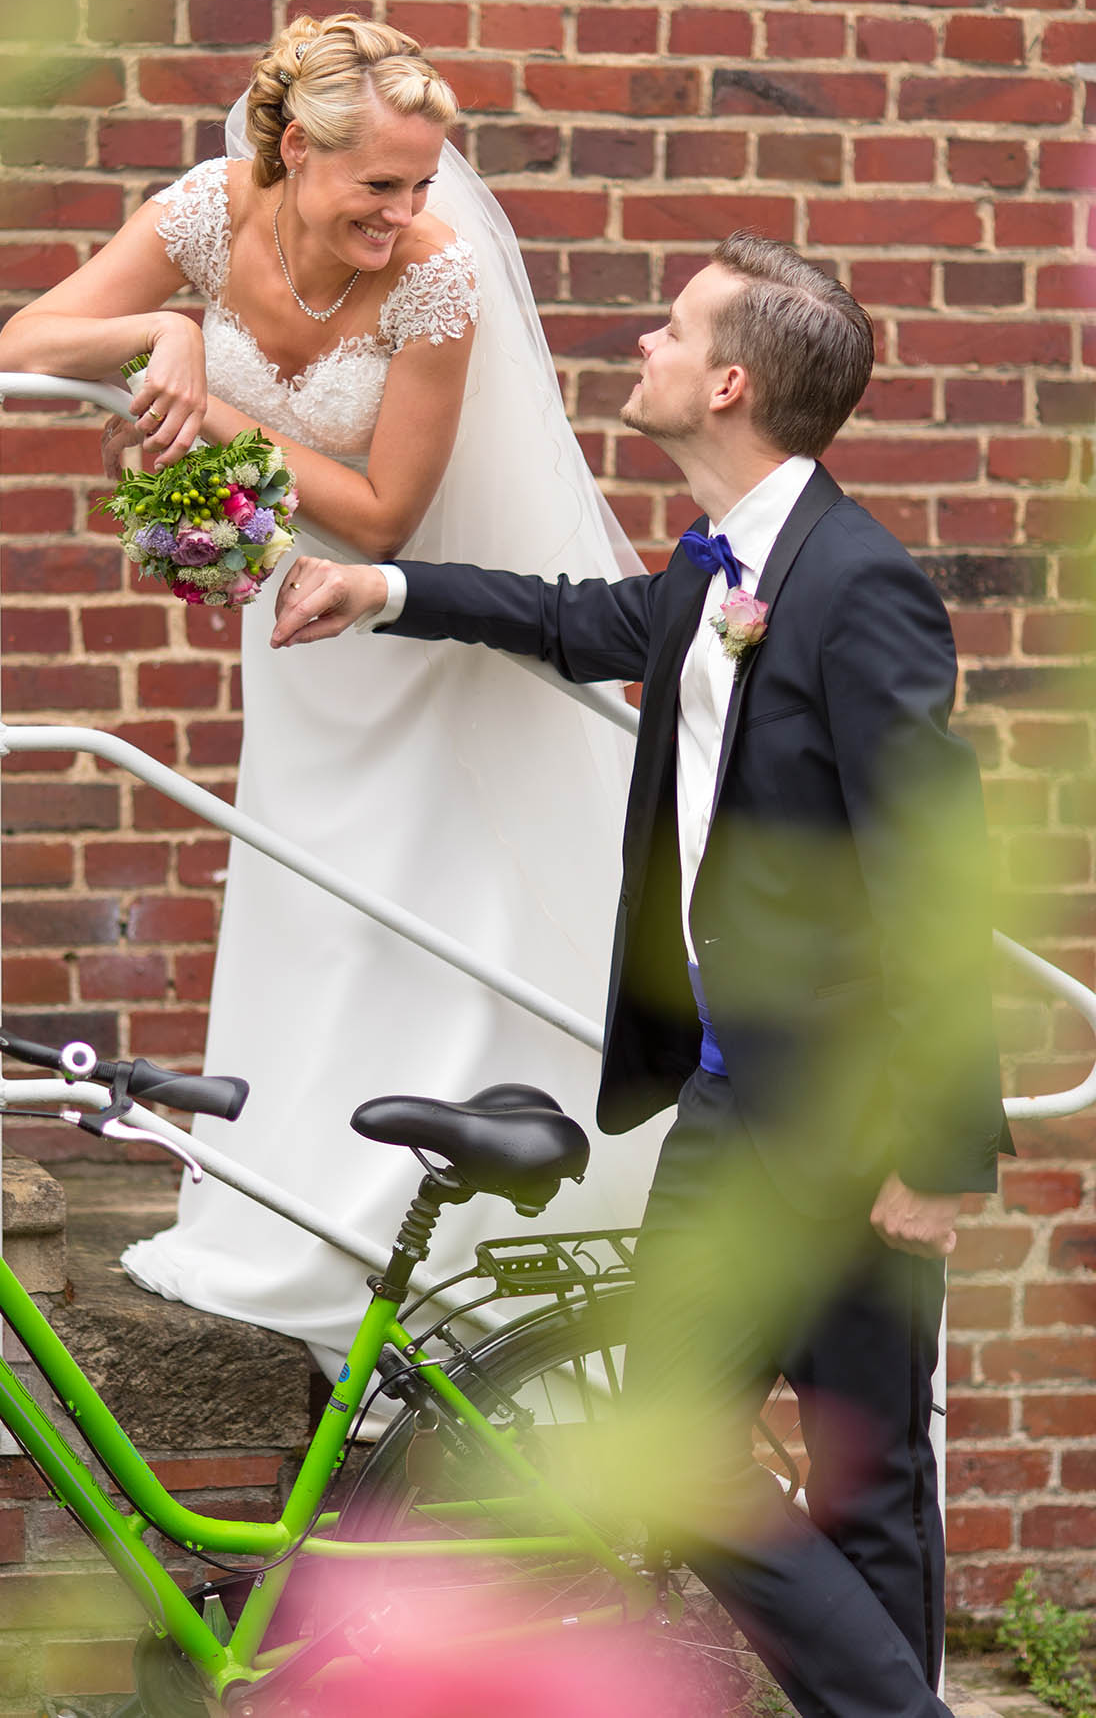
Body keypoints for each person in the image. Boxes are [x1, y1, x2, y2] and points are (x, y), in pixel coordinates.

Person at [269, 233, 1007, 1718]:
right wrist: (384, 587)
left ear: (730, 381)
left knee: (843, 1466)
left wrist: (940, 1148)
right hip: (733, 1103)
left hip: (852, 1118)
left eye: (671, 331)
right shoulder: (711, 574)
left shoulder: (860, 588)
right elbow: (569, 618)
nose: (641, 349)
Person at [0, 12, 660, 1373]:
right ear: (297, 148)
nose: (406, 211)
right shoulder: (201, 212)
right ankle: (289, 1202)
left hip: (413, 629)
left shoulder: (435, 281)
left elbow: (384, 510)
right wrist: (160, 333)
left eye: (423, 185)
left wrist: (223, 414)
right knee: (309, 888)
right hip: (297, 641)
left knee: (436, 898)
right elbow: (18, 346)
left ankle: (441, 1230)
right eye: (379, 185)